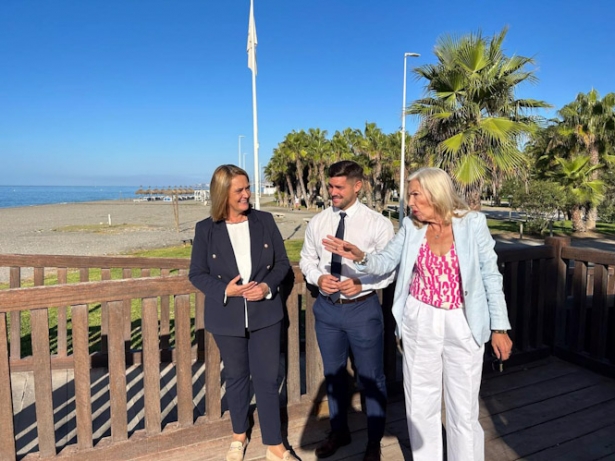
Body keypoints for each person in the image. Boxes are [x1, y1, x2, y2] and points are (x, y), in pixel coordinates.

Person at [324, 167, 513, 461]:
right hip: (420, 319)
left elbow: (490, 274)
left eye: (414, 194)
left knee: (463, 409)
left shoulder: (473, 223)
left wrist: (499, 327)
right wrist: (360, 256)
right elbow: (386, 260)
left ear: (435, 193)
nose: (409, 201)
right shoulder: (412, 226)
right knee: (420, 404)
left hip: (463, 321)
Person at [189, 165, 296, 461]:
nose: (247, 194)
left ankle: (275, 444)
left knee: (266, 378)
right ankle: (239, 435)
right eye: (240, 190)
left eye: (248, 187)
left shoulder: (264, 221)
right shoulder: (205, 229)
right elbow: (196, 274)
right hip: (226, 317)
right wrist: (226, 290)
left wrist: (266, 287)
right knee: (236, 377)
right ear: (223, 193)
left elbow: (283, 265)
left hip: (266, 315)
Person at [299, 160, 395, 461]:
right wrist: (317, 278)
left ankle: (374, 442)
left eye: (339, 187)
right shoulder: (318, 222)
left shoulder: (378, 224)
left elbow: (389, 270)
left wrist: (362, 284)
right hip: (327, 311)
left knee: (371, 378)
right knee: (334, 374)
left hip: (362, 310)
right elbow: (306, 259)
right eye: (330, 186)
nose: (332, 192)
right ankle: (339, 432)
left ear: (358, 186)